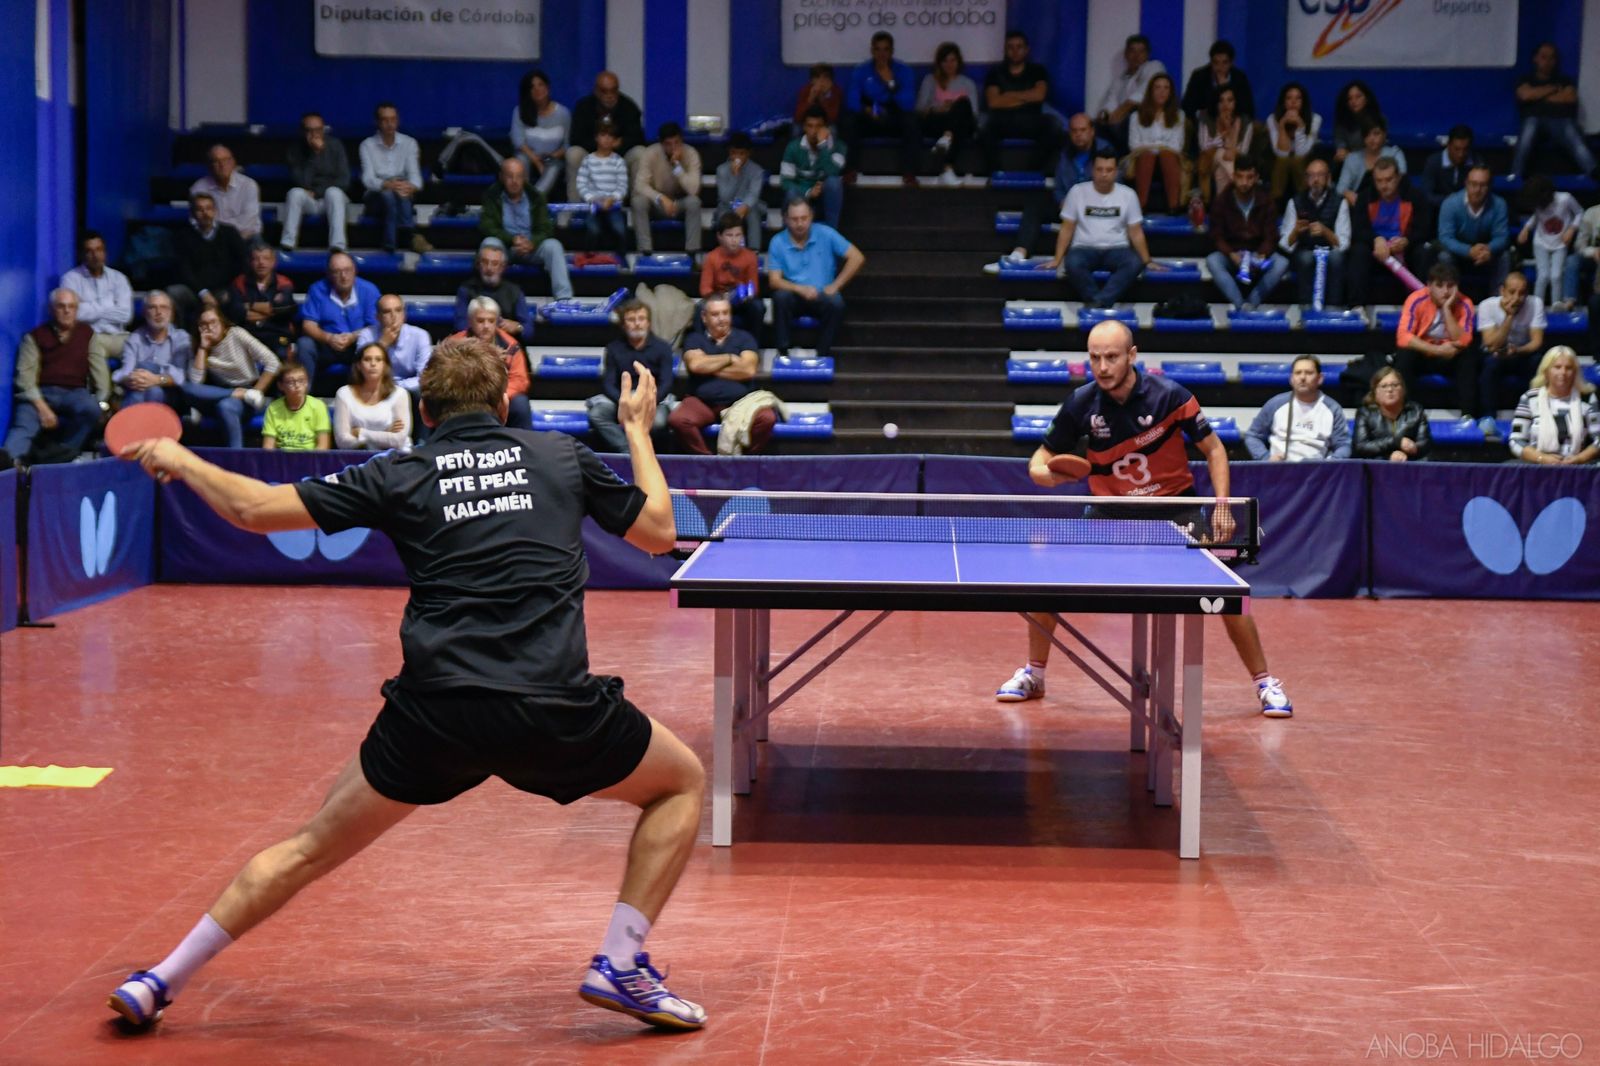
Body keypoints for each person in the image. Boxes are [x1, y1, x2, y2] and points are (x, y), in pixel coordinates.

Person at [108, 337, 707, 1033]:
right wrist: (637, 429)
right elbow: (661, 533)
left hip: (433, 717)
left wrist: (181, 458)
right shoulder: (559, 456)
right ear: (506, 402)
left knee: (309, 847)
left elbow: (254, 511)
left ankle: (159, 979)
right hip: (552, 708)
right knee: (681, 783)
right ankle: (620, 963)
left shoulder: (400, 470)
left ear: (424, 411)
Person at [996, 319, 1293, 718]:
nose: (1102, 367)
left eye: (1112, 357)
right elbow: (1038, 463)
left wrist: (1222, 504)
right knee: (1046, 583)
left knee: (1229, 593)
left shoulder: (1170, 396)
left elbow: (1215, 450)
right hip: (1110, 512)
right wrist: (1048, 475)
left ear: (1132, 356)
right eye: (1095, 358)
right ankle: (1034, 673)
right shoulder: (1081, 404)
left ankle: (1264, 682)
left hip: (1176, 509)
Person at [2, 289, 109, 467]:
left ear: (77, 310)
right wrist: (42, 408)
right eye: (61, 306)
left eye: (71, 306)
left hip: (74, 393)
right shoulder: (34, 337)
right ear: (52, 309)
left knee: (90, 409)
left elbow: (100, 373)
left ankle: (63, 455)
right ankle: (8, 466)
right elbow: (25, 378)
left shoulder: (87, 335)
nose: (66, 311)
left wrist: (101, 401)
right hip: (40, 394)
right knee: (23, 426)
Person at [992, 113, 1110, 267]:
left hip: (1096, 209)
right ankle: (1020, 251)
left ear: (1092, 131)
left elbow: (1113, 186)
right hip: (1069, 207)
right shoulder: (1065, 153)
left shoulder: (1106, 151)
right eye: (1074, 131)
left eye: (1083, 130)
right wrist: (1062, 201)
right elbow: (1059, 187)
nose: (1078, 135)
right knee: (1036, 203)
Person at [667, 291, 775, 455]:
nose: (722, 318)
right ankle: (708, 462)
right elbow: (695, 365)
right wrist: (730, 358)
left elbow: (748, 369)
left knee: (767, 418)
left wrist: (709, 367)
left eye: (725, 313)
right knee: (678, 420)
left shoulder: (745, 338)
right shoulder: (694, 339)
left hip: (741, 402)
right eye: (715, 314)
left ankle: (744, 461)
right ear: (704, 317)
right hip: (703, 403)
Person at [1047, 148, 1156, 309]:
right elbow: (1067, 228)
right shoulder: (1077, 192)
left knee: (1135, 262)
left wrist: (1147, 260)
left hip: (1117, 249)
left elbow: (1136, 231)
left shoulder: (1128, 195)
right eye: (1099, 169)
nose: (1104, 174)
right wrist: (1057, 259)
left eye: (1109, 170)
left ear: (1116, 172)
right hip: (1084, 249)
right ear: (1092, 170)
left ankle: (1098, 302)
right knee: (1072, 262)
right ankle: (1100, 301)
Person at [766, 197, 865, 360]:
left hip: (822, 294)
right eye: (794, 219)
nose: (800, 224)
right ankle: (783, 351)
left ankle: (823, 353)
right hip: (795, 295)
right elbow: (774, 281)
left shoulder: (826, 233)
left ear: (811, 216)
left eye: (804, 218)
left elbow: (857, 257)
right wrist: (800, 289)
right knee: (780, 297)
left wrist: (836, 285)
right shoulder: (777, 241)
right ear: (785, 219)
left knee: (836, 303)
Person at [1393, 260, 1484, 423]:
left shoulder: (1465, 303)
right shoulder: (1415, 299)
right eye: (1440, 285)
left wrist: (1447, 309)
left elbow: (1464, 340)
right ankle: (1406, 412)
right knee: (1404, 354)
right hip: (1424, 355)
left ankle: (1468, 414)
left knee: (1469, 355)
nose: (1446, 291)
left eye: (1450, 286)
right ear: (1429, 286)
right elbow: (1403, 336)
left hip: (1450, 357)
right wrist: (1436, 350)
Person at [183, 305, 279, 449]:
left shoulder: (236, 334)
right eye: (203, 324)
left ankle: (236, 456)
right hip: (220, 392)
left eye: (213, 322)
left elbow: (273, 362)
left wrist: (257, 391)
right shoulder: (198, 346)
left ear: (222, 323)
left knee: (226, 406)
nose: (209, 327)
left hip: (248, 394)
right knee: (186, 387)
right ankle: (235, 394)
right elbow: (196, 382)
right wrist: (203, 348)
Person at [479, 157, 574, 299]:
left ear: (525, 178)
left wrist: (532, 243)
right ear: (501, 177)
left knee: (554, 246)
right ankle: (487, 296)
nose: (515, 181)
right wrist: (512, 240)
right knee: (489, 243)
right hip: (505, 248)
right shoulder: (492, 195)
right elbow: (486, 226)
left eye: (519, 176)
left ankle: (564, 299)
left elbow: (546, 229)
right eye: (510, 176)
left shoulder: (536, 197)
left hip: (532, 248)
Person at [590, 299, 676, 452]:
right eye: (631, 319)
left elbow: (666, 383)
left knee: (659, 422)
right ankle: (628, 451)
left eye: (641, 319)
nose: (637, 323)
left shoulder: (663, 348)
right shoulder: (613, 348)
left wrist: (647, 401)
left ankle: (646, 452)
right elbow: (608, 383)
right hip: (622, 398)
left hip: (653, 398)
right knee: (597, 414)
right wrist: (626, 402)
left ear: (648, 323)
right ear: (623, 325)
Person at [1346, 157, 1428, 310]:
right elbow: (1358, 230)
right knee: (1358, 251)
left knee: (1422, 252)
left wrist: (1406, 241)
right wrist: (1376, 239)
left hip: (1404, 249)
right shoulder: (1365, 197)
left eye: (1389, 180)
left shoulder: (1415, 196)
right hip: (1376, 250)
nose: (1384, 186)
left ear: (1398, 177)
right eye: (1379, 181)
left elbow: (1423, 229)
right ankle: (1356, 307)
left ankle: (1421, 306)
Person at [1206, 159, 1287, 311]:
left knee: (1282, 263)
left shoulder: (1267, 201)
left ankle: (1251, 304)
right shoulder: (1222, 201)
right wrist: (1231, 254)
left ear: (1256, 178)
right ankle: (1240, 305)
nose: (1244, 182)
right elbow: (1216, 235)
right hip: (1233, 254)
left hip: (1258, 254)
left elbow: (1271, 236)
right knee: (1212, 261)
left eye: (1249, 177)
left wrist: (1261, 255)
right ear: (1233, 176)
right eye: (1240, 177)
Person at [840, 31, 919, 182]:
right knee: (848, 119)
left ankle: (909, 173)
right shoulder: (861, 71)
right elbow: (852, 100)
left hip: (894, 116)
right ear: (872, 51)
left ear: (892, 51)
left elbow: (908, 103)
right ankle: (849, 171)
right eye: (877, 49)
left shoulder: (904, 71)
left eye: (886, 49)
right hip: (870, 115)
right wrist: (867, 109)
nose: (881, 54)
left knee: (912, 120)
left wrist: (890, 82)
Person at [296, 251, 380, 391]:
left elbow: (375, 325)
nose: (343, 276)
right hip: (327, 344)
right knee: (304, 344)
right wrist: (329, 338)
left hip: (357, 346)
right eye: (337, 272)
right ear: (329, 274)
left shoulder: (369, 290)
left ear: (355, 271)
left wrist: (353, 337)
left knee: (372, 344)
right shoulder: (317, 289)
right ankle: (303, 395)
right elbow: (308, 325)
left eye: (347, 270)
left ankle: (369, 395)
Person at [1511, 42, 1596, 179]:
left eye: (1552, 58)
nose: (1548, 61)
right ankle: (1515, 175)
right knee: (1529, 128)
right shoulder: (1526, 79)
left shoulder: (1564, 80)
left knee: (1571, 131)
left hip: (1560, 122)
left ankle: (1593, 172)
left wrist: (1537, 96)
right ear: (1535, 59)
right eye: (1544, 57)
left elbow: (1570, 98)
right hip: (1534, 121)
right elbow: (1525, 95)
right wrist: (1554, 89)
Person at [1476, 271, 1547, 433]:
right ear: (1502, 291)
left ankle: (1536, 415)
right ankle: (1488, 416)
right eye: (1512, 292)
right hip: (1496, 353)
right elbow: (1491, 344)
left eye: (1522, 293)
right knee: (1489, 364)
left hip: (1522, 353)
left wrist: (1517, 350)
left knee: (1538, 361)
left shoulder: (1535, 304)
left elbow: (1537, 341)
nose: (1517, 298)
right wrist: (1509, 317)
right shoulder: (1487, 306)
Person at [1243, 355, 1351, 461]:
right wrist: (1266, 458)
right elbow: (1253, 436)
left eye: (1309, 373)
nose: (1303, 377)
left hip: (1317, 472)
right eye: (1298, 373)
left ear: (1320, 378)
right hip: (1280, 471)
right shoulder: (1275, 404)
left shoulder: (1333, 408)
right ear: (1291, 379)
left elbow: (1343, 445)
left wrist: (1330, 464)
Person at [449, 296, 532, 431]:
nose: (486, 326)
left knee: (520, 403)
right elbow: (445, 377)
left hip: (499, 398)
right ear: (470, 321)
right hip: (464, 398)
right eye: (480, 321)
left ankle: (524, 447)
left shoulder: (511, 345)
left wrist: (495, 396)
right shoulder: (453, 344)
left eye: (491, 321)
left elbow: (520, 380)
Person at [979, 30, 1056, 175]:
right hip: (1003, 120)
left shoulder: (1037, 71)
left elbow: (1039, 95)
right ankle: (996, 172)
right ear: (1006, 50)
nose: (1015, 51)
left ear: (1027, 50)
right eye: (1010, 47)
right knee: (984, 128)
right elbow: (994, 102)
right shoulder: (995, 72)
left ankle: (1033, 171)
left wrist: (1009, 95)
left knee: (1053, 126)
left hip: (1031, 119)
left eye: (1019, 47)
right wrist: (1026, 97)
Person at [565, 70, 648, 203]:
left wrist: (618, 143)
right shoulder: (583, 107)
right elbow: (576, 138)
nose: (609, 95)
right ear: (596, 90)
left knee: (641, 153)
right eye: (604, 91)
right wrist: (600, 146)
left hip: (619, 160)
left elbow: (638, 138)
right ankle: (574, 207)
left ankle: (636, 207)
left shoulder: (629, 106)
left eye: (613, 90)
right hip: (592, 159)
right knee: (573, 153)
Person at [1279, 157, 1350, 309]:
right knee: (1305, 258)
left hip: (1330, 250)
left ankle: (1334, 307)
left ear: (1328, 178)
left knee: (1337, 258)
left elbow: (1344, 244)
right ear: (1306, 179)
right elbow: (1285, 244)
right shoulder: (1295, 202)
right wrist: (1296, 232)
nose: (1315, 180)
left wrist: (1325, 232)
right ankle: (1305, 307)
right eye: (1311, 175)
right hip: (1305, 249)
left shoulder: (1339, 202)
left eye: (1320, 175)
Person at [1508, 346, 1599, 464]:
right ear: (1546, 371)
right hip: (1537, 465)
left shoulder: (1587, 399)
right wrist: (1541, 458)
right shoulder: (1530, 398)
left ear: (1575, 372)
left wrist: (1579, 459)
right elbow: (1516, 441)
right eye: (1557, 367)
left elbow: (1598, 440)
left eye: (1568, 368)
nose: (1563, 372)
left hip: (1576, 467)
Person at [360, 103, 431, 254]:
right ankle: (408, 236)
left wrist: (408, 187)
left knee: (399, 193)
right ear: (377, 122)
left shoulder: (409, 143)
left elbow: (417, 179)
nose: (389, 124)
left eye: (393, 119)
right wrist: (387, 184)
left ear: (398, 120)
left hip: (401, 193)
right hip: (375, 197)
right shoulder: (367, 145)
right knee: (388, 194)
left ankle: (390, 244)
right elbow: (368, 180)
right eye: (385, 120)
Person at [167, 192, 245, 329]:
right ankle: (178, 335)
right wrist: (203, 292)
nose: (205, 213)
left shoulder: (229, 233)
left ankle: (229, 337)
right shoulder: (183, 236)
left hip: (223, 289)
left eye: (209, 208)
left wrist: (227, 289)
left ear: (215, 211)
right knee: (173, 292)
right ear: (193, 213)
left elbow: (241, 263)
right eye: (200, 209)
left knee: (232, 297)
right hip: (194, 290)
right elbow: (184, 270)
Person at [1433, 165, 1509, 302]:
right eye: (1473, 184)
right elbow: (1445, 237)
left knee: (1504, 257)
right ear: (1466, 183)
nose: (1477, 190)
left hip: (1485, 255)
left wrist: (1488, 249)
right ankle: (1450, 300)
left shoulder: (1499, 204)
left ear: (1489, 186)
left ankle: (1497, 303)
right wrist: (1468, 251)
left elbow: (1502, 237)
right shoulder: (1450, 204)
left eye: (1482, 185)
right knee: (1444, 256)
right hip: (1459, 255)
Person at [283, 112, 351, 252]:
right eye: (310, 130)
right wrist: (315, 154)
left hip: (331, 200)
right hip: (309, 200)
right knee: (294, 193)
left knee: (334, 192)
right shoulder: (295, 149)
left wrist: (319, 191)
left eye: (318, 129)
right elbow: (301, 181)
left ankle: (338, 245)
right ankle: (288, 242)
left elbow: (344, 180)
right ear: (303, 131)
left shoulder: (335, 146)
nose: (315, 134)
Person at [632, 122, 703, 255]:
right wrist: (660, 198)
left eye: (677, 142)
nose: (673, 147)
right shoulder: (650, 153)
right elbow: (640, 185)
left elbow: (694, 190)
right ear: (662, 143)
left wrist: (677, 166)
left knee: (694, 202)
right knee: (638, 201)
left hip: (680, 203)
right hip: (657, 203)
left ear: (682, 140)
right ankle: (645, 251)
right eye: (668, 144)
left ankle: (693, 253)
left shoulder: (691, 153)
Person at [61, 230, 133, 361]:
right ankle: (103, 383)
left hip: (118, 337)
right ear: (82, 254)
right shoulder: (70, 279)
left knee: (141, 347)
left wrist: (90, 309)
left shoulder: (119, 278)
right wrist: (109, 305)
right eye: (89, 251)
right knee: (94, 346)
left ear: (105, 252)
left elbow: (126, 315)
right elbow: (74, 314)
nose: (95, 255)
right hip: (88, 337)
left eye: (99, 250)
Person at [115, 291, 192, 410]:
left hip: (172, 393)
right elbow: (125, 371)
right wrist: (129, 379)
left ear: (171, 313)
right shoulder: (135, 338)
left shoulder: (181, 338)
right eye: (152, 307)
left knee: (147, 372)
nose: (159, 312)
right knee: (152, 391)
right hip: (141, 389)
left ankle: (125, 424)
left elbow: (181, 377)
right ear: (145, 313)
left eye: (164, 307)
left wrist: (156, 379)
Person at [917, 41, 979, 186]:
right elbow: (919, 108)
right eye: (945, 61)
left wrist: (954, 108)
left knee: (963, 104)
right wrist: (938, 108)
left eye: (953, 60)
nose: (949, 64)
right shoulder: (930, 80)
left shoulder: (967, 83)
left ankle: (947, 139)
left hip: (962, 123)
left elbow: (974, 113)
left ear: (959, 62)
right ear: (939, 63)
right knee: (957, 126)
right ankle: (947, 166)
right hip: (937, 121)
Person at [356, 294, 433, 407]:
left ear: (404, 315)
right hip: (375, 388)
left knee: (422, 393)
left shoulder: (420, 335)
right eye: (387, 312)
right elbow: (360, 371)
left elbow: (424, 377)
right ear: (378, 317)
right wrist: (382, 345)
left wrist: (396, 386)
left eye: (398, 310)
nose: (393, 316)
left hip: (409, 390)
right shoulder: (366, 335)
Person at [224, 239, 297, 359]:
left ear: (274, 262)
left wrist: (249, 305)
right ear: (250, 262)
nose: (261, 263)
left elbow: (284, 310)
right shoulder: (239, 282)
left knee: (282, 354)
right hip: (248, 335)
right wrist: (270, 311)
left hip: (276, 334)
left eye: (266, 259)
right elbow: (236, 312)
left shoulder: (284, 283)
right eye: (256, 259)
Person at [334, 342, 412, 452]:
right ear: (359, 365)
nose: (373, 364)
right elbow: (342, 441)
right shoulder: (344, 394)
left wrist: (360, 433)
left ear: (385, 365)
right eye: (367, 359)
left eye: (378, 359)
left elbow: (399, 440)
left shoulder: (400, 394)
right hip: (357, 458)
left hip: (394, 459)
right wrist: (386, 434)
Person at [1517, 175, 1581, 309]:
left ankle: (1556, 304)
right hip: (1541, 242)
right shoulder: (1537, 204)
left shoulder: (1565, 199)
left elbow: (1580, 213)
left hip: (1560, 243)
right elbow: (1536, 218)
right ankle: (1536, 306)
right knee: (1543, 276)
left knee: (1556, 275)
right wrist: (1526, 229)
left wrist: (1572, 229)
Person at [1095, 34, 1166, 153]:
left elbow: (1145, 90)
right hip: (1120, 121)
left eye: (1141, 51)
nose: (1136, 56)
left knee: (1131, 119)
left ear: (1147, 54)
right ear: (1126, 54)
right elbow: (1111, 101)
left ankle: (1126, 160)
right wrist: (1104, 115)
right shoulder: (1120, 79)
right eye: (1132, 51)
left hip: (1144, 116)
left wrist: (1123, 109)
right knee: (1094, 126)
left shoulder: (1154, 66)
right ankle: (1108, 164)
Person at [1126, 74, 1186, 213]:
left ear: (1170, 92)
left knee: (1167, 155)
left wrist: (1152, 145)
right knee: (1148, 155)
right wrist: (1158, 146)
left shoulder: (1179, 115)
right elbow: (1134, 145)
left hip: (1169, 160)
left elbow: (1177, 145)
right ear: (1150, 91)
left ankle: (1173, 206)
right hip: (1142, 160)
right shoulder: (1136, 116)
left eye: (1166, 88)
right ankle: (1141, 206)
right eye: (1157, 87)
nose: (1162, 92)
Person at [779, 107, 846, 228]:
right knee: (791, 194)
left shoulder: (839, 147)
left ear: (826, 128)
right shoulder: (793, 148)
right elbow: (785, 182)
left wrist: (822, 146)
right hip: (802, 196)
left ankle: (831, 235)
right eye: (810, 126)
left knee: (834, 182)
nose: (814, 131)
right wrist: (808, 192)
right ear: (804, 127)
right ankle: (788, 239)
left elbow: (833, 172)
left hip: (825, 200)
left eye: (818, 126)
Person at [701, 212, 764, 338]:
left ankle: (753, 348)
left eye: (738, 235)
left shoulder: (750, 257)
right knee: (699, 309)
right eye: (729, 235)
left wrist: (744, 295)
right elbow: (705, 289)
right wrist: (721, 297)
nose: (734, 240)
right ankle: (702, 347)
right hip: (719, 298)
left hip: (741, 300)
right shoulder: (711, 257)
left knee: (757, 306)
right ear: (720, 237)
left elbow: (754, 287)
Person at [509, 69, 570, 198]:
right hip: (528, 154)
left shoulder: (563, 113)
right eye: (532, 87)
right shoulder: (519, 111)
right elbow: (518, 141)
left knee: (553, 167)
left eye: (540, 85)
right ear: (527, 92)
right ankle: (520, 198)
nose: (537, 89)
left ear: (548, 87)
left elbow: (567, 145)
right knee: (520, 160)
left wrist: (551, 156)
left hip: (552, 156)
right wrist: (536, 161)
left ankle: (532, 201)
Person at [1351, 366, 1432, 462]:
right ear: (1375, 392)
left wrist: (1404, 454)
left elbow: (1425, 444)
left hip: (1409, 464)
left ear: (1403, 390)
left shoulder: (1416, 411)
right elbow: (1361, 447)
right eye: (1384, 386)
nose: (1390, 390)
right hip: (1376, 467)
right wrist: (1395, 443)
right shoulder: (1365, 413)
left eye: (1395, 385)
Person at [454, 238, 529, 338]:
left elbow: (529, 329)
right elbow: (460, 325)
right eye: (485, 262)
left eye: (494, 263)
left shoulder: (514, 291)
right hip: (475, 345)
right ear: (478, 264)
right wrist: (489, 326)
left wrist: (518, 327)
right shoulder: (466, 289)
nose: (489, 268)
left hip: (508, 348)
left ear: (503, 266)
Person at [577, 120, 631, 254]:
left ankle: (622, 261)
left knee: (620, 230)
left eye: (610, 136)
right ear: (596, 137)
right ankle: (588, 258)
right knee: (593, 230)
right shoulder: (588, 160)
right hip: (593, 206)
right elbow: (581, 183)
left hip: (613, 205)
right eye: (603, 135)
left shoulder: (619, 161)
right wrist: (592, 199)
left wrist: (612, 199)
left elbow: (622, 186)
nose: (606, 139)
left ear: (614, 140)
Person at [1195, 84, 1254, 205]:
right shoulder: (1206, 119)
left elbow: (1242, 153)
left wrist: (1230, 133)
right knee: (1221, 153)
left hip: (1233, 162)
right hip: (1208, 162)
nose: (1225, 105)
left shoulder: (1245, 122)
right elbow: (1204, 147)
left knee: (1222, 169)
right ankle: (1242, 186)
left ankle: (1222, 207)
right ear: (1215, 103)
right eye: (1221, 101)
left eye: (1230, 100)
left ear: (1236, 102)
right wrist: (1222, 135)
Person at [189, 144, 261, 240]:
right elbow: (196, 221)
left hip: (246, 236)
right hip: (212, 238)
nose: (222, 165)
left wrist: (217, 226)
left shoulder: (249, 185)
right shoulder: (198, 188)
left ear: (233, 162)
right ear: (209, 166)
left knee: (260, 250)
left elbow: (247, 221)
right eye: (216, 161)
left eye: (226, 160)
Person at [1265, 83, 1319, 201]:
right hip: (1278, 163)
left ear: (1303, 101)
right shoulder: (1272, 119)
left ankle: (1305, 201)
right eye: (1289, 98)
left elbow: (1301, 152)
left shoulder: (1315, 119)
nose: (1293, 102)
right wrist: (1282, 126)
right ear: (1283, 101)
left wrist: (1300, 127)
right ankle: (1275, 203)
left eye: (1298, 98)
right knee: (1283, 161)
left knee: (1296, 160)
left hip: (1306, 161)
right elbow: (1281, 153)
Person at [261, 361, 331, 452]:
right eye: (290, 382)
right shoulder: (273, 408)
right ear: (281, 386)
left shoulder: (318, 406)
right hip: (283, 460)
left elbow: (323, 446)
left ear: (307, 383)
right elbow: (268, 448)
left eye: (301, 381)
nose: (297, 385)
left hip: (310, 459)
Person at [715, 131, 767, 252]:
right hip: (727, 206)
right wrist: (734, 176)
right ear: (729, 152)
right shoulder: (721, 170)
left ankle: (754, 251)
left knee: (753, 214)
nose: (737, 157)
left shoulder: (757, 170)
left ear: (748, 154)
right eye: (734, 153)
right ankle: (724, 250)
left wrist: (745, 206)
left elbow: (754, 193)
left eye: (741, 154)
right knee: (723, 217)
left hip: (749, 206)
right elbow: (724, 197)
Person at [1180, 40, 1254, 121]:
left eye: (1224, 63)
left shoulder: (1240, 78)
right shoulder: (1199, 77)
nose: (1220, 67)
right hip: (1204, 123)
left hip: (1234, 123)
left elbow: (1248, 109)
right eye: (1216, 62)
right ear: (1211, 62)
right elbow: (1187, 107)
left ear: (1231, 63)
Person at [1336, 118, 1405, 205]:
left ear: (1384, 134)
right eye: (1367, 134)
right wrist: (1348, 194)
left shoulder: (1395, 154)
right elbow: (1340, 188)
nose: (1371, 138)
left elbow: (1402, 181)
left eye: (1376, 133)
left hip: (1390, 203)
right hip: (1359, 205)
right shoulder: (1352, 158)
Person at [1418, 126, 1483, 211]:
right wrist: (1451, 202)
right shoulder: (1433, 162)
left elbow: (1482, 193)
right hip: (1438, 210)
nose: (1461, 154)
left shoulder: (1477, 162)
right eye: (1457, 149)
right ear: (1448, 145)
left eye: (1465, 149)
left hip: (1468, 211)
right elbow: (1426, 195)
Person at [1330, 80, 1383, 165]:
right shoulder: (1342, 122)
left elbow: (1376, 147)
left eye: (1358, 97)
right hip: (1349, 164)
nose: (1354, 101)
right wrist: (1341, 152)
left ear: (1367, 99)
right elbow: (1340, 144)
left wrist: (1351, 156)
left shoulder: (1379, 120)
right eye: (1350, 98)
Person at [793, 62, 843, 127]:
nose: (821, 81)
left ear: (831, 80)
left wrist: (823, 98)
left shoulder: (836, 91)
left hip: (826, 124)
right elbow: (798, 118)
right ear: (812, 81)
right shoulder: (805, 90)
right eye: (817, 78)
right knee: (796, 128)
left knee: (832, 129)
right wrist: (810, 99)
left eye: (825, 78)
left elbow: (832, 118)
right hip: (808, 123)